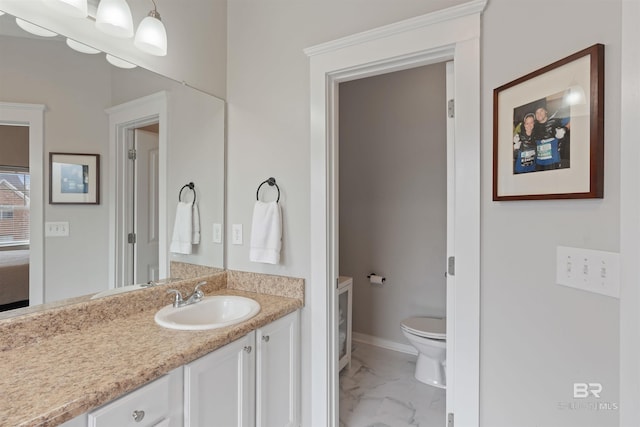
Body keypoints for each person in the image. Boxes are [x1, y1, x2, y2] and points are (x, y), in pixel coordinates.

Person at [532, 106, 570, 170]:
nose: (539, 114)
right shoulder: (534, 126)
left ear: (546, 111)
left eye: (541, 111)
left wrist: (564, 129)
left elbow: (572, 119)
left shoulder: (555, 121)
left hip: (553, 162)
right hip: (539, 163)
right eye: (537, 112)